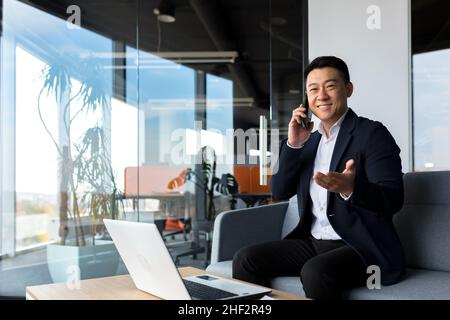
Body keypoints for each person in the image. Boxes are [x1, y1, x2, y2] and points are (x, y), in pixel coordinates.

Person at [232, 56, 406, 300]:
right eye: (313, 89)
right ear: (306, 97)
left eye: (330, 86)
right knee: (246, 259)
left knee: (315, 272)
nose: (321, 95)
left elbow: (393, 199)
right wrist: (293, 145)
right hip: (313, 243)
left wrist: (351, 188)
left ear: (348, 89)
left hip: (362, 247)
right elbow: (280, 191)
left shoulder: (373, 134)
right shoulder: (307, 140)